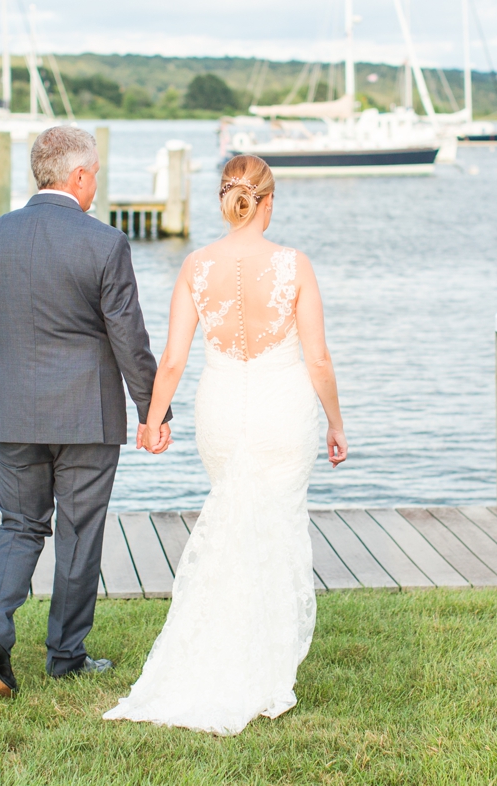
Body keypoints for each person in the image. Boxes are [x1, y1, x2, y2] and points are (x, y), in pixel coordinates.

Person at [103, 153, 348, 736]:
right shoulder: (294, 264)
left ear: (224, 201)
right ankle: (264, 669)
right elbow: (317, 358)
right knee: (277, 526)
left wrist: (153, 418)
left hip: (219, 410)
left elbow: (173, 358)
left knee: (234, 521)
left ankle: (229, 657)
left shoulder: (196, 265)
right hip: (283, 410)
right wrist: (337, 423)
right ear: (268, 202)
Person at [0, 124, 171, 697]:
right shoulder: (104, 244)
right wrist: (154, 413)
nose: (96, 185)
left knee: (19, 526)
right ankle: (65, 655)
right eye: (95, 174)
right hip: (87, 417)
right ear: (78, 176)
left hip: (12, 414)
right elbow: (131, 339)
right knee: (79, 532)